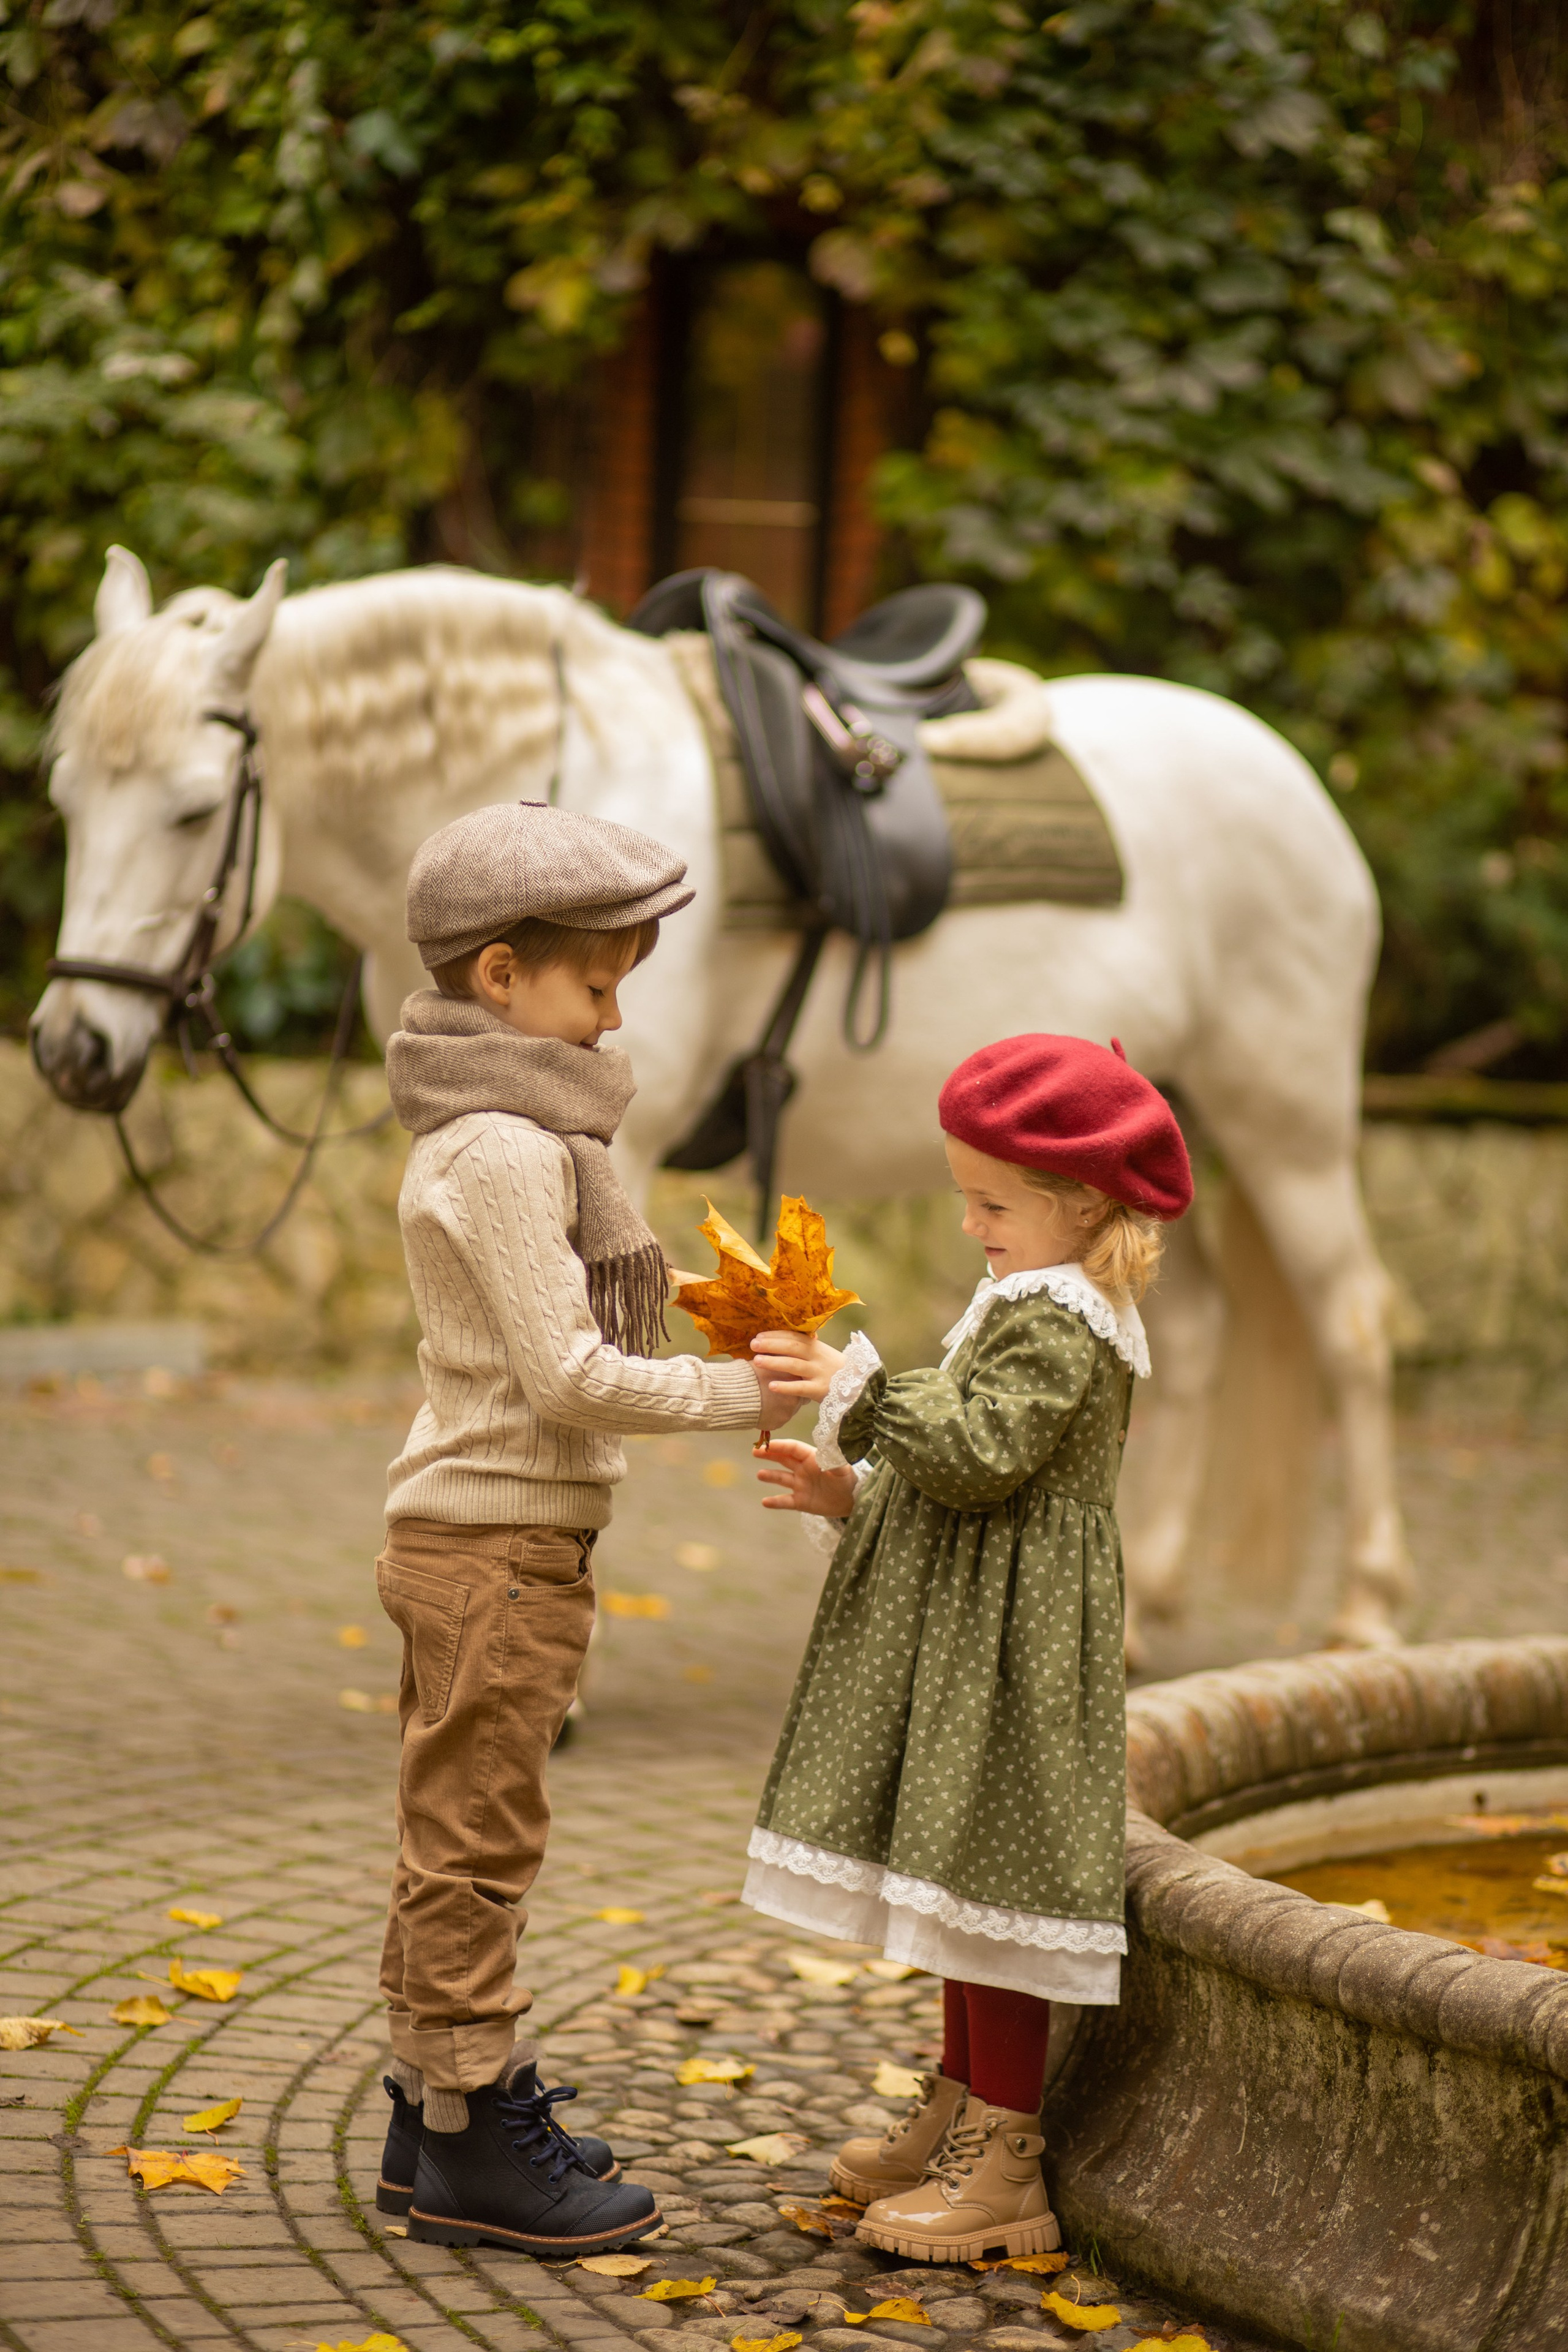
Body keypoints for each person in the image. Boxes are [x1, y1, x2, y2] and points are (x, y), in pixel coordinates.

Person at [372, 801, 793, 2255]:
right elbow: (568, 1376)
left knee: (450, 1835)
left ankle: (429, 2116)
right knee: (477, 1847)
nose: (616, 1020)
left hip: (487, 1537)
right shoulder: (506, 1151)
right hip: (492, 1547)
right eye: (596, 986)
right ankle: (478, 2143)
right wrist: (745, 1393)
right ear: (500, 978)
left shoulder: (496, 1129)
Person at [746, 1033, 1192, 2263]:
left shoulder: (1065, 1317)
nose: (970, 1225)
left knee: (994, 1893)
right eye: (964, 1198)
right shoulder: (1023, 1294)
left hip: (1018, 1649)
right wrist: (854, 1496)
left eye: (992, 1203)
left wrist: (862, 1389)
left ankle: (1004, 2162)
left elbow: (986, 1447)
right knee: (959, 1881)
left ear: (1082, 1201)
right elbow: (960, 1470)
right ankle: (958, 2101)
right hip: (982, 1629)